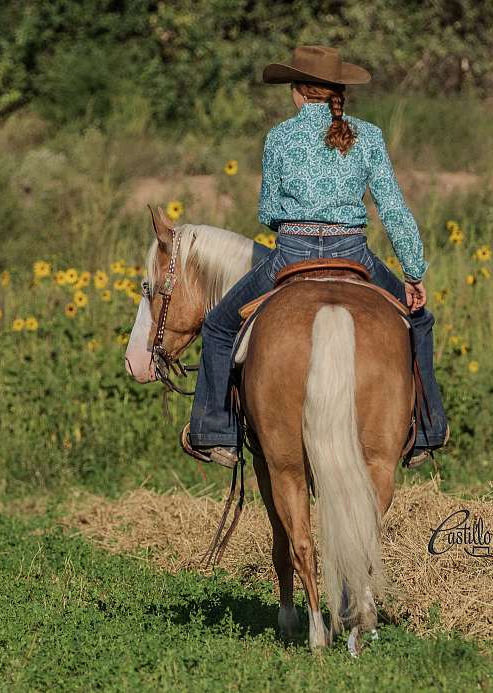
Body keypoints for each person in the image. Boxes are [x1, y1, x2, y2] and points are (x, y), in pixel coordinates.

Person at [186, 45, 449, 468]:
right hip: (354, 254)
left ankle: (216, 431)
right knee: (419, 319)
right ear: (338, 90)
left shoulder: (279, 137)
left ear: (296, 91)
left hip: (290, 253)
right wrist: (414, 272)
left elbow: (268, 212)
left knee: (217, 326)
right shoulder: (368, 135)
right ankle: (428, 428)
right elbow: (394, 208)